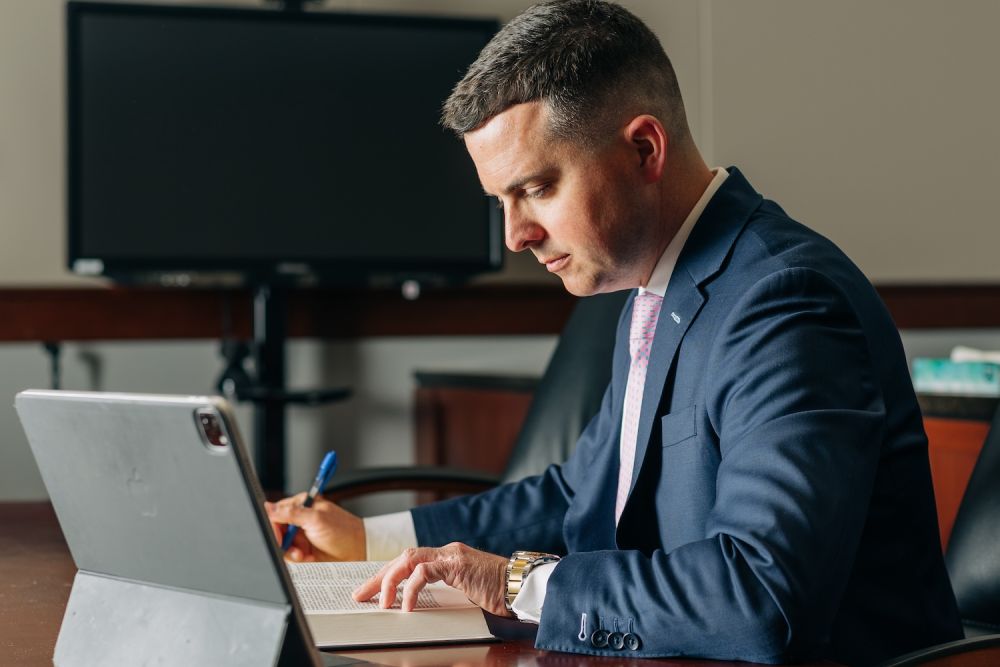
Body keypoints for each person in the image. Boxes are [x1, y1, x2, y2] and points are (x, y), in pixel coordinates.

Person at [267, 1, 963, 663]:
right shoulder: (650, 288)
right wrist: (371, 538)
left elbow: (762, 593)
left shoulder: (785, 302)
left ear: (644, 150)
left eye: (536, 188)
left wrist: (516, 583)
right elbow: (584, 495)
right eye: (500, 202)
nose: (515, 236)